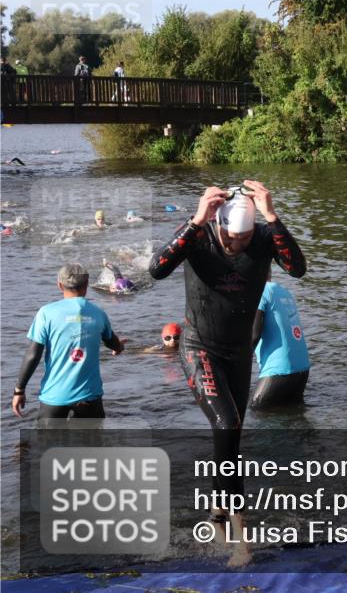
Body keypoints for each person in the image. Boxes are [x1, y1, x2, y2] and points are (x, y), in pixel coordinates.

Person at [148, 179, 306, 566]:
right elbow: (156, 270)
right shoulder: (198, 236)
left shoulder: (264, 236)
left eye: (245, 237)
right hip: (200, 348)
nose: (238, 245)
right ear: (218, 226)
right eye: (232, 237)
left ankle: (218, 511)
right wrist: (195, 218)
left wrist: (271, 214)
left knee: (231, 439)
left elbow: (298, 269)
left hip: (238, 355)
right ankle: (241, 539)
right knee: (226, 424)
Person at [11, 264, 125, 419]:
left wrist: (19, 390)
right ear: (87, 284)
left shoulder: (46, 313)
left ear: (59, 285)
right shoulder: (99, 314)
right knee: (94, 442)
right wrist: (119, 347)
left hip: (54, 398)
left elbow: (33, 355)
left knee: (47, 443)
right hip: (89, 398)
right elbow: (111, 341)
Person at [250, 275, 311, 410]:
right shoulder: (284, 291)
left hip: (279, 372)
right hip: (302, 371)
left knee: (256, 411)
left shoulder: (258, 291)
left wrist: (237, 364)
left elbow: (254, 335)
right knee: (293, 415)